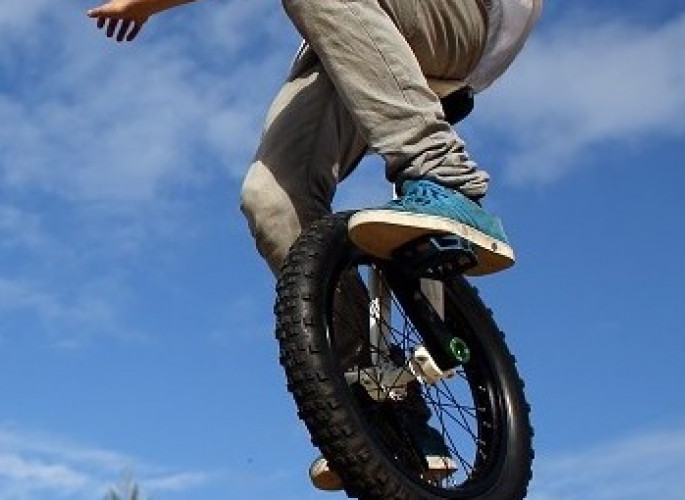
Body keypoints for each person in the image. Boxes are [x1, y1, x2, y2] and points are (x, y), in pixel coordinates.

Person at [87, 0, 542, 490]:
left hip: (466, 19)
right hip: (356, 33)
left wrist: (143, 5)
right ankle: (382, 400)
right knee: (272, 201)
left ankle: (442, 172)